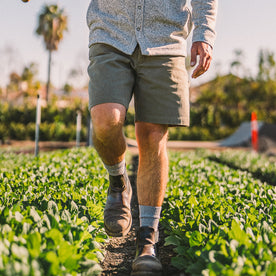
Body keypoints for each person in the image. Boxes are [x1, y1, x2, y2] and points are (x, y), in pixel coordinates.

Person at [86, 0, 217, 275]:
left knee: (153, 136)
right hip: (111, 31)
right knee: (105, 121)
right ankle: (118, 181)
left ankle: (147, 240)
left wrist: (204, 34)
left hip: (165, 39)